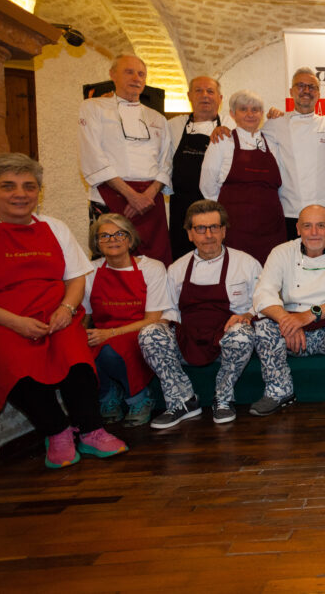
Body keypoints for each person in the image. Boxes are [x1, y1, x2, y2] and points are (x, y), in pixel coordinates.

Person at [0, 153, 127, 468]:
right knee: (15, 364)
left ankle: (90, 430)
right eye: (8, 186)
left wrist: (66, 307)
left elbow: (75, 276)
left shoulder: (55, 227)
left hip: (55, 314)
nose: (20, 193)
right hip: (0, 320)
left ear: (39, 192)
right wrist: (15, 323)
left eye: (29, 186)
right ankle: (57, 431)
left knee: (76, 359)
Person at [138, 200, 261, 428]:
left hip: (226, 341)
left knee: (243, 333)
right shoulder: (176, 269)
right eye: (200, 229)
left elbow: (264, 302)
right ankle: (182, 400)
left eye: (214, 227)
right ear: (189, 234)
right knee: (149, 333)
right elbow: (169, 311)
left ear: (224, 231)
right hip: (188, 341)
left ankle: (223, 398)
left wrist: (247, 315)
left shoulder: (246, 263)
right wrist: (161, 331)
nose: (208, 235)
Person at [253, 205, 325, 415]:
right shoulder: (281, 252)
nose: (314, 233)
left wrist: (308, 316)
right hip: (290, 331)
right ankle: (279, 391)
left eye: (320, 226)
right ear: (298, 229)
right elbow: (262, 293)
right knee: (263, 327)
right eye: (307, 226)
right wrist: (288, 321)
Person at [79, 54, 173, 265]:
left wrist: (147, 195)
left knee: (155, 260)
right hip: (109, 195)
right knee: (111, 257)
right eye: (128, 72)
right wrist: (131, 195)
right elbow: (92, 155)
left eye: (141, 74)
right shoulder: (93, 108)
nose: (136, 78)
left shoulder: (157, 118)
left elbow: (166, 162)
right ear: (113, 75)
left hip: (151, 199)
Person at [84, 213, 169, 427]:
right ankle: (107, 397)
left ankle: (140, 399)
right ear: (97, 243)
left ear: (130, 239)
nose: (112, 240)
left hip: (140, 332)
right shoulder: (90, 271)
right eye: (105, 236)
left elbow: (153, 319)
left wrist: (111, 334)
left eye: (119, 234)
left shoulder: (152, 268)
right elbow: (84, 316)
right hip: (102, 333)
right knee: (80, 350)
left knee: (110, 351)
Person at [199, 89, 286, 265]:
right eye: (243, 109)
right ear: (232, 114)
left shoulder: (272, 142)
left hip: (271, 227)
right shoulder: (222, 141)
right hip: (236, 229)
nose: (250, 114)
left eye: (255, 109)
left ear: (262, 113)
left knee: (271, 276)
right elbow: (207, 186)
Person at [264, 68, 325, 240]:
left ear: (319, 94)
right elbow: (250, 139)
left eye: (312, 87)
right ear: (291, 92)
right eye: (301, 86)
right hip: (291, 209)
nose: (306, 91)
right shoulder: (275, 123)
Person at [167, 76, 229, 260]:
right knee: (182, 260)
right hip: (182, 209)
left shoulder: (230, 124)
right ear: (189, 96)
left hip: (217, 208)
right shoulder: (173, 126)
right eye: (199, 91)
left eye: (210, 91)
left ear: (220, 98)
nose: (205, 96)